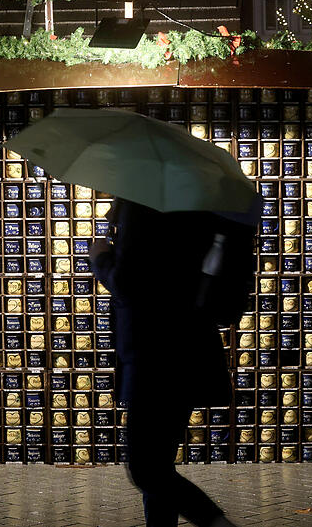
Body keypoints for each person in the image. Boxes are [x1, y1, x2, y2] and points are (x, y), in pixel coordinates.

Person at [89, 197, 238, 527]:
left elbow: (129, 285)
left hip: (153, 355)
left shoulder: (143, 206)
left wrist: (101, 258)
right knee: (158, 464)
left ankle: (217, 523)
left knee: (146, 468)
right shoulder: (199, 208)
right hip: (186, 350)